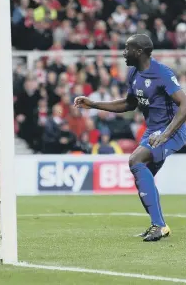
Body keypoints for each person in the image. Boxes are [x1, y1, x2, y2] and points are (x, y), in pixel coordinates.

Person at [74, 34, 186, 242]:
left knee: (135, 160)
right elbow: (128, 104)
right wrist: (94, 104)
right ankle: (159, 225)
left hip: (172, 131)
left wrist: (166, 134)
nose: (124, 53)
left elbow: (184, 104)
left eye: (127, 49)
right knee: (142, 176)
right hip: (153, 130)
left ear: (139, 52)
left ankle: (159, 225)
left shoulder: (162, 73)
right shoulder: (134, 73)